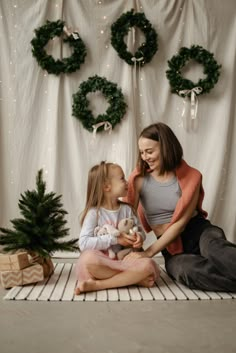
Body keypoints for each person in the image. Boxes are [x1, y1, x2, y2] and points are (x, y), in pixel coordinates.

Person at [125, 122, 236, 292]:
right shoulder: (138, 179)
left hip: (199, 232)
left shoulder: (192, 176)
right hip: (171, 248)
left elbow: (180, 224)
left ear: (166, 148)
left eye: (150, 151)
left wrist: (148, 252)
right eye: (141, 152)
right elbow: (126, 216)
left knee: (215, 250)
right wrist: (132, 243)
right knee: (187, 271)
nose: (145, 157)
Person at [74, 161, 160, 294]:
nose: (127, 182)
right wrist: (116, 240)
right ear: (107, 186)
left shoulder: (127, 209)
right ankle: (133, 279)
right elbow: (84, 243)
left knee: (148, 266)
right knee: (88, 260)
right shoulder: (94, 213)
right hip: (103, 261)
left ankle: (98, 285)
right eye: (122, 178)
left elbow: (140, 231)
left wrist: (139, 238)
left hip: (125, 260)